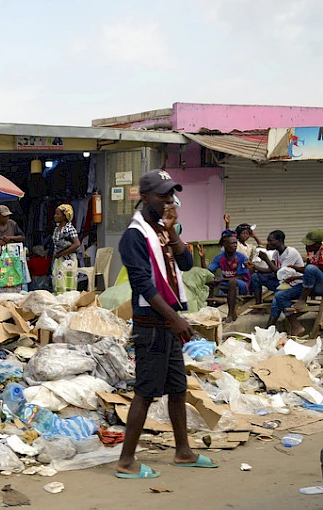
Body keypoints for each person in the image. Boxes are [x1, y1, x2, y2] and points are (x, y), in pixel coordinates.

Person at [116, 170, 217, 479]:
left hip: (168, 324)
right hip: (152, 325)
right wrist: (176, 319)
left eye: (171, 194)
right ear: (144, 197)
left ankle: (183, 451)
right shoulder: (134, 236)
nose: (169, 200)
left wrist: (173, 232)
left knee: (177, 387)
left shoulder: (161, 230)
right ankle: (126, 462)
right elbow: (144, 285)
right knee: (146, 392)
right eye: (162, 195)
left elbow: (186, 264)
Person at [254, 230, 306, 333]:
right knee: (255, 276)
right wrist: (254, 267)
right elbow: (271, 270)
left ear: (280, 240)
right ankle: (258, 307)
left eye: (271, 241)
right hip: (282, 282)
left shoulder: (291, 252)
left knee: (278, 297)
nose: (268, 243)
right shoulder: (276, 253)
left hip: (295, 284)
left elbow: (280, 272)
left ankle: (269, 328)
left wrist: (266, 259)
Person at [276, 230, 323, 336]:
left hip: (321, 284)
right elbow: (307, 271)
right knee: (280, 296)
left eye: (309, 244)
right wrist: (295, 272)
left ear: (317, 244)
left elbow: (315, 270)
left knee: (310, 268)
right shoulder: (311, 252)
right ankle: (295, 325)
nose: (306, 246)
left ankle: (303, 299)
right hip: (311, 285)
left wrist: (300, 275)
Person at [200, 230, 250, 323]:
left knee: (232, 282)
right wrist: (202, 259)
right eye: (232, 243)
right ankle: (211, 310)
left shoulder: (241, 257)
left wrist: (223, 279)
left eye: (235, 243)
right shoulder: (219, 257)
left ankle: (230, 314)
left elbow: (241, 276)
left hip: (241, 284)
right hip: (226, 282)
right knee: (211, 281)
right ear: (225, 245)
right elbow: (208, 272)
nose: (235, 245)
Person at [0, 204, 27, 294]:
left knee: (14, 276)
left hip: (13, 259)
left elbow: (22, 237)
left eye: (8, 216)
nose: (6, 218)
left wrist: (11, 238)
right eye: (4, 216)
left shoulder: (12, 224)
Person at [51, 203, 80, 295]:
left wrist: (62, 254)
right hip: (58, 259)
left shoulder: (70, 229)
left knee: (67, 283)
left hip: (68, 260)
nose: (55, 216)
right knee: (58, 282)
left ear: (65, 216)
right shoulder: (57, 228)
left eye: (58, 214)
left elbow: (76, 244)